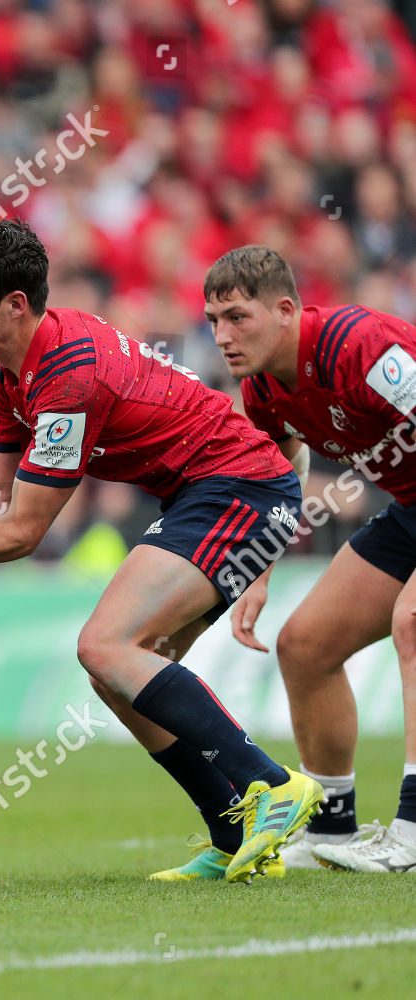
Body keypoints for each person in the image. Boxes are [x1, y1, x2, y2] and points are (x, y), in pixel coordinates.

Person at [0, 219, 321, 883]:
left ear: (14, 305)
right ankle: (235, 831)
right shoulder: (8, 373)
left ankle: (273, 783)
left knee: (105, 646)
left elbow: (22, 533)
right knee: (117, 670)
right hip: (207, 495)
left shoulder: (69, 375)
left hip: (242, 489)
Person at [205, 245, 416, 873]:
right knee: (305, 646)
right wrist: (259, 569)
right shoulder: (263, 387)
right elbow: (278, 471)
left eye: (237, 317)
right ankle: (332, 830)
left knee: (413, 622)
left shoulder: (363, 347)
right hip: (411, 509)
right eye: (213, 320)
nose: (222, 336)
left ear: (285, 310)